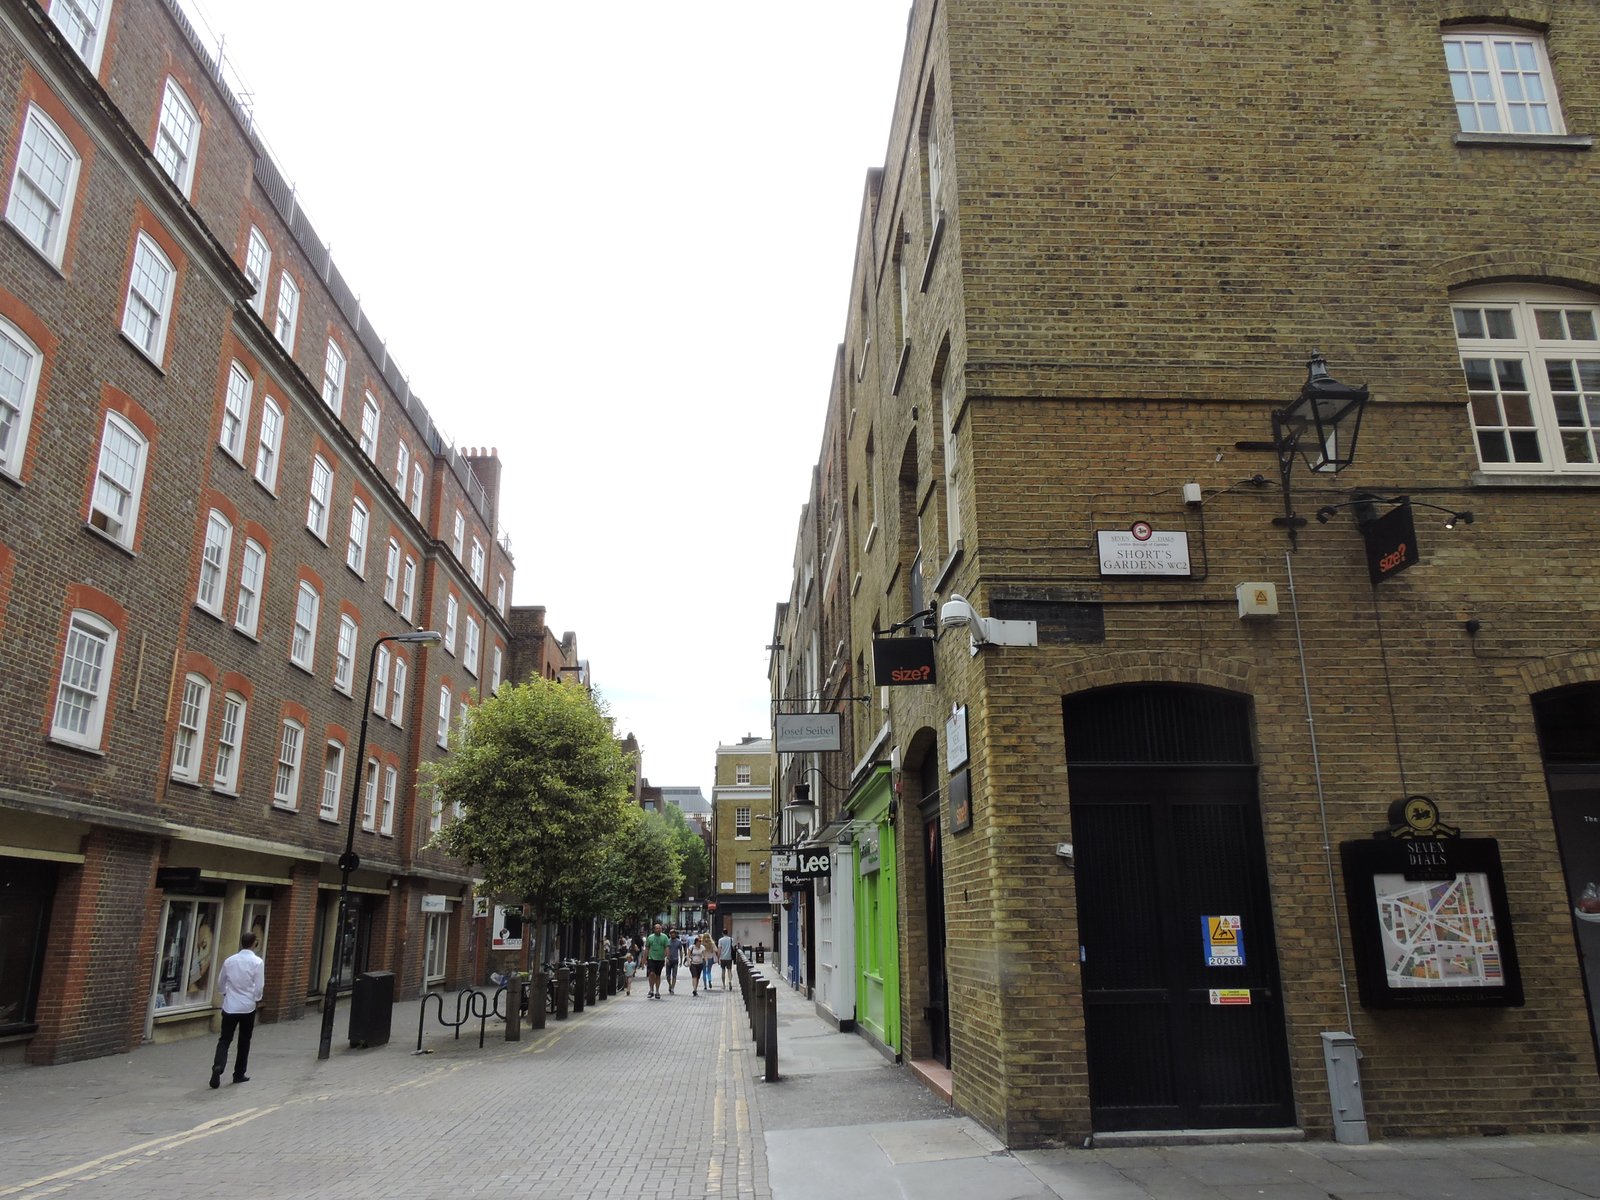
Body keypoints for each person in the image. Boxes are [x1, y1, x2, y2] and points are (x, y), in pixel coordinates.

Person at [209, 930, 264, 1089]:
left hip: (230, 1006)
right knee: (244, 1041)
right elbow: (259, 986)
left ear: (241, 942)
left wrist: (225, 993)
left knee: (225, 1039)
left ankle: (217, 1066)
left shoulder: (230, 961)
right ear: (254, 944)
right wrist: (256, 999)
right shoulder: (257, 962)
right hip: (247, 1007)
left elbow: (221, 982)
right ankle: (239, 1074)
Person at [643, 922, 669, 999]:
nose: (658, 930)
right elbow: (647, 948)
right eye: (656, 928)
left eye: (659, 928)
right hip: (651, 958)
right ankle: (651, 990)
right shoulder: (650, 937)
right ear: (654, 929)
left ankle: (657, 991)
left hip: (660, 958)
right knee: (651, 974)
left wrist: (667, 957)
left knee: (658, 975)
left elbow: (666, 948)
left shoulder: (664, 937)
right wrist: (644, 958)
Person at [664, 928, 681, 995]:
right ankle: (670, 984)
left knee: (674, 975)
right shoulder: (667, 941)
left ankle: (672, 987)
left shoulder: (678, 942)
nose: (673, 934)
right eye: (671, 933)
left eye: (674, 933)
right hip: (669, 959)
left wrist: (681, 959)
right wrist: (666, 958)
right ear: (670, 934)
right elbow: (665, 950)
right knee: (668, 975)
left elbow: (680, 950)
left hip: (675, 960)